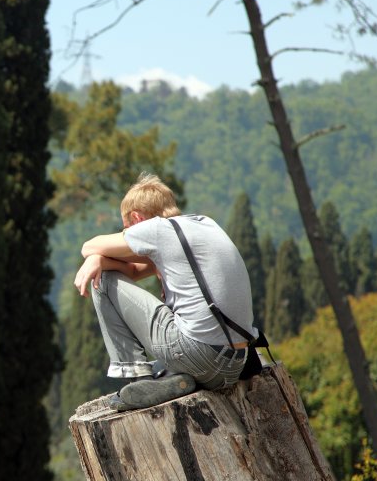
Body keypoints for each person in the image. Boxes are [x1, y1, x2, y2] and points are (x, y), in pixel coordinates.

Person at [73, 173, 258, 410]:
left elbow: (88, 246)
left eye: (126, 228)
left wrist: (96, 259)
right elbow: (133, 271)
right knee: (108, 272)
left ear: (137, 219)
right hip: (236, 364)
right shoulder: (203, 224)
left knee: (104, 281)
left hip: (199, 355)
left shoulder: (157, 230)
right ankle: (176, 379)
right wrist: (102, 260)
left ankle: (139, 380)